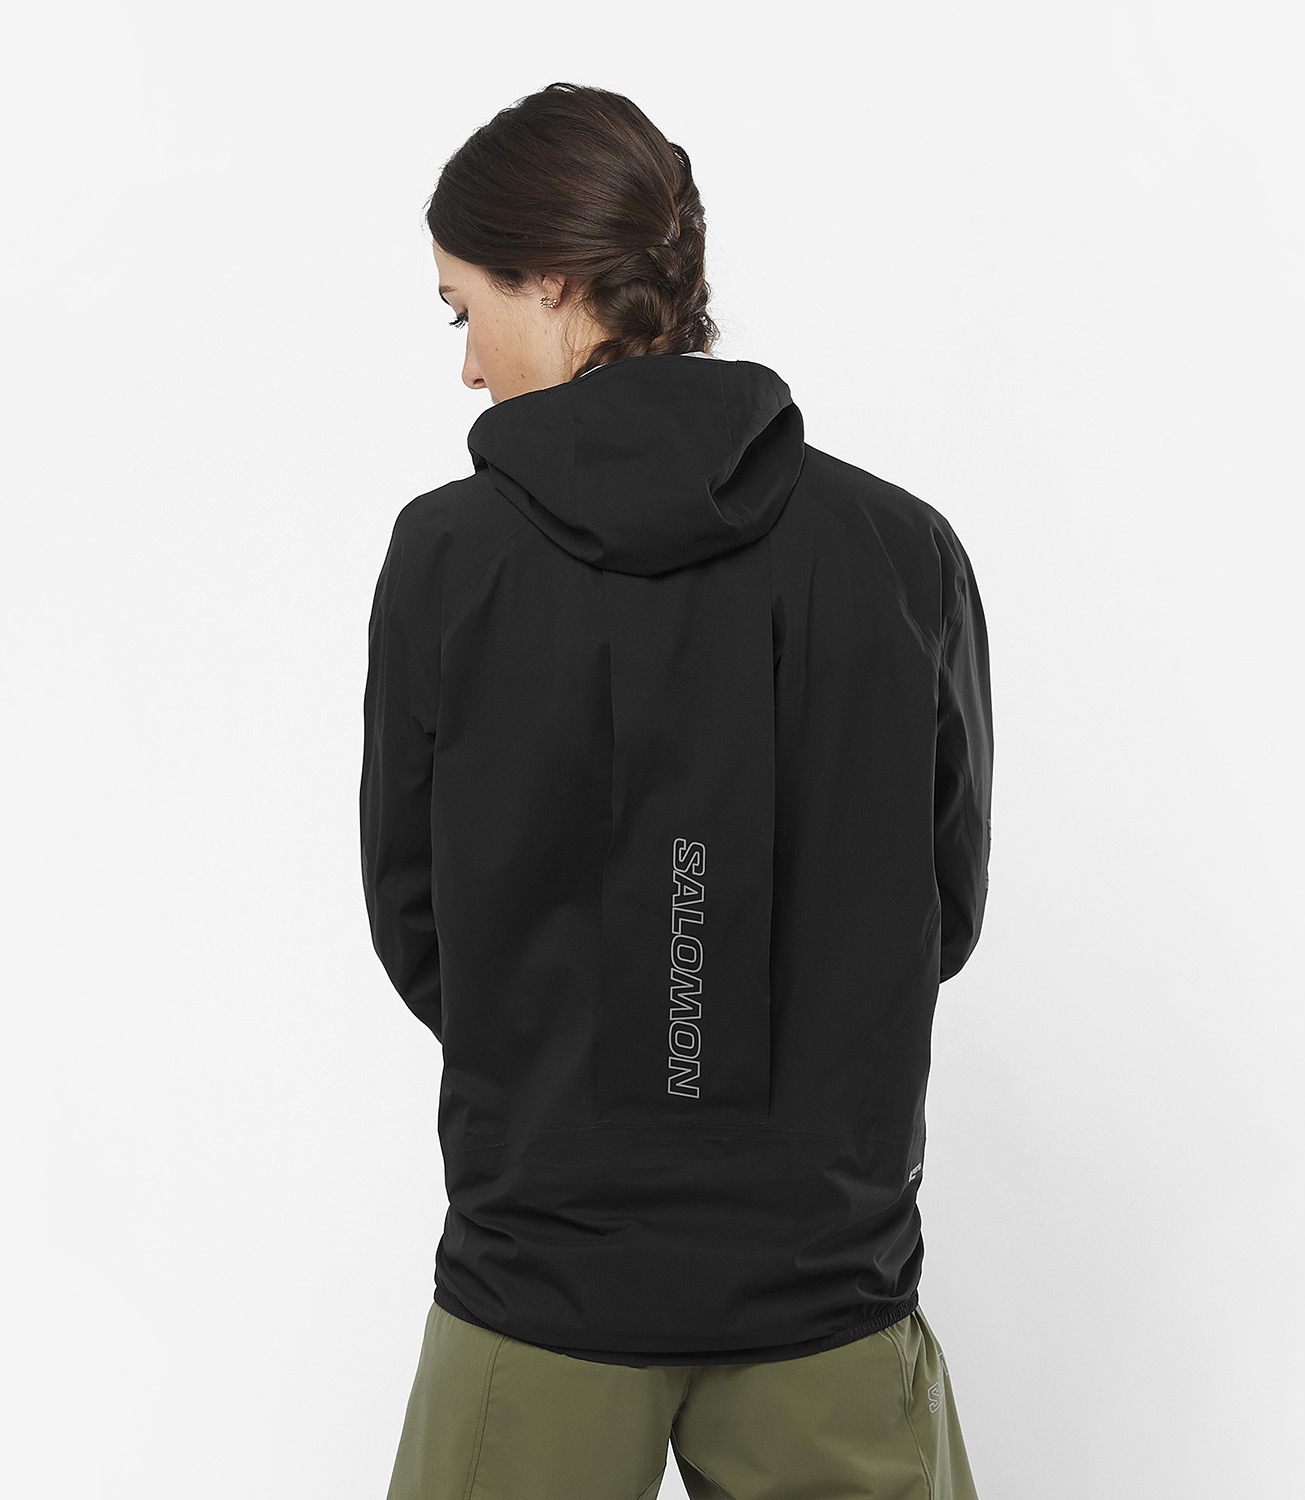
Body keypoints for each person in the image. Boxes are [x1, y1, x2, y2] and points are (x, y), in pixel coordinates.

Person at [360, 82, 993, 1500]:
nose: (465, 366)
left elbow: (414, 920)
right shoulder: (903, 552)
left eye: (464, 310)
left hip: (544, 1271)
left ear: (555, 280)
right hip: (824, 1273)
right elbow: (942, 908)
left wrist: (587, 1053)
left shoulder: (448, 560)